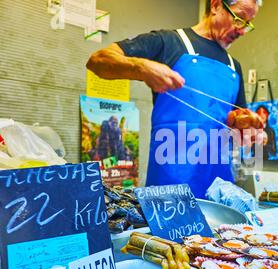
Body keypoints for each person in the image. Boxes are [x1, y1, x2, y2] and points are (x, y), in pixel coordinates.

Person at [87, 0, 261, 198]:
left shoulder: (233, 67)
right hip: (170, 187)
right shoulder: (169, 42)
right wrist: (141, 68)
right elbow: (98, 60)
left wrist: (247, 127)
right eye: (239, 19)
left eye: (248, 24)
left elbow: (235, 121)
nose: (242, 31)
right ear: (215, 5)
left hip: (219, 188)